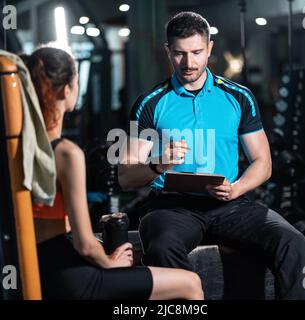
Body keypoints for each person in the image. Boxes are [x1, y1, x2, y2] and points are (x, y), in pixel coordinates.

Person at [118, 12, 305, 300]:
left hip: (230, 202)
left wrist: (237, 188)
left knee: (292, 240)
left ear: (209, 47)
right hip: (172, 207)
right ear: (168, 51)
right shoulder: (150, 103)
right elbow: (125, 174)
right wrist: (158, 163)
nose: (189, 63)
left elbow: (263, 163)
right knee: (161, 246)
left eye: (197, 52)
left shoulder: (238, 97)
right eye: (180, 54)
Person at [24, 46, 203, 300]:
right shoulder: (66, 153)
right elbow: (84, 243)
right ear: (67, 90)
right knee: (190, 283)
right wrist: (110, 263)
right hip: (71, 278)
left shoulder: (20, 147)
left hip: (40, 269)